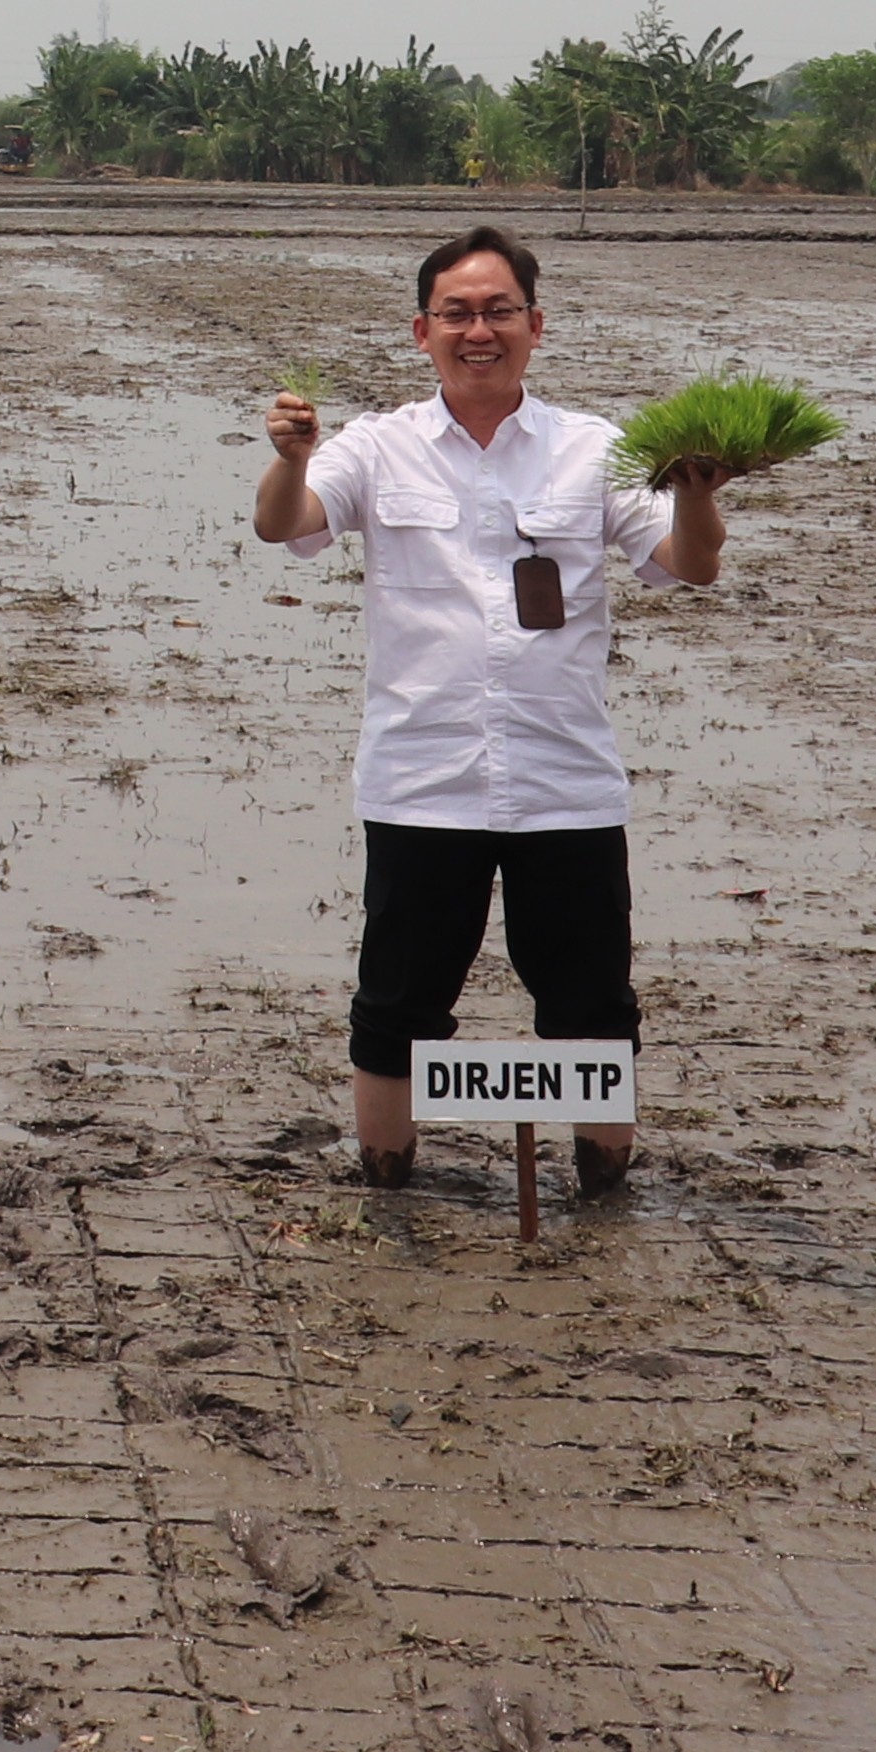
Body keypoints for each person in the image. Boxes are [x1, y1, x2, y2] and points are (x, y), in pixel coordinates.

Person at [254, 224, 731, 1197]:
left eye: (499, 310)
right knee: (396, 1005)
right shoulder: (375, 447)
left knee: (593, 1005)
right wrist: (291, 459)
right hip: (422, 780)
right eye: (459, 313)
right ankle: (386, 1185)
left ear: (535, 325)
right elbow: (284, 524)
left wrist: (697, 493)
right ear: (422, 330)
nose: (480, 329)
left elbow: (689, 564)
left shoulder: (595, 448)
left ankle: (602, 1191)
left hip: (565, 783)